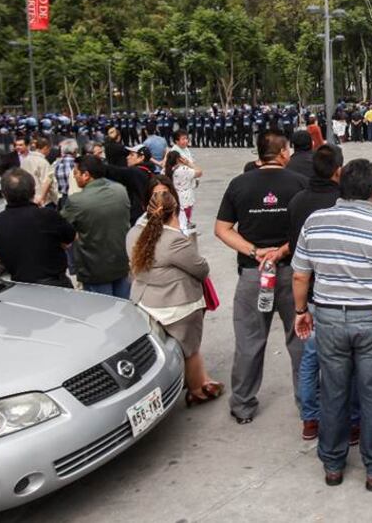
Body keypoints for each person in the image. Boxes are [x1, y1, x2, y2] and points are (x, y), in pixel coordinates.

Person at [292, 159, 372, 491]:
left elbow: (301, 274)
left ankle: (333, 464)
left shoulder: (314, 222)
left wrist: (301, 310)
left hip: (328, 318)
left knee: (333, 390)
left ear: (340, 186)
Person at [214, 129, 308, 424]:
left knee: (249, 340)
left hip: (253, 275)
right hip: (293, 275)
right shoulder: (298, 183)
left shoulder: (239, 184)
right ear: (282, 153)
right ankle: (308, 405)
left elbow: (222, 228)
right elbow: (308, 231)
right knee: (300, 340)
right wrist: (281, 251)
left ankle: (242, 405)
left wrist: (254, 252)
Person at [126, 189, 222, 406]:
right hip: (177, 306)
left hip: (144, 301)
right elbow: (201, 269)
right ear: (175, 212)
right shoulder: (174, 240)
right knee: (191, 350)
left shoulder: (133, 233)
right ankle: (197, 390)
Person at [286, 145, 351, 441]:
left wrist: (300, 309)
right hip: (337, 292)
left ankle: (310, 418)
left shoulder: (297, 201)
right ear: (338, 170)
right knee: (346, 361)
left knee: (310, 357)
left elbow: (297, 258)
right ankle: (351, 420)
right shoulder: (342, 201)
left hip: (309, 292)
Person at [61, 154, 132, 298]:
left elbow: (62, 229)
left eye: (75, 173)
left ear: (86, 175)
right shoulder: (120, 190)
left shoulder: (76, 201)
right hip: (121, 262)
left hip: (94, 268)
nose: (74, 177)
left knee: (101, 315)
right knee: (123, 309)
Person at [0, 169, 75, 287]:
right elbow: (70, 238)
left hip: (21, 286)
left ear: (4, 194)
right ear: (33, 191)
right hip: (55, 285)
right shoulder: (47, 215)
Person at [164, 150, 202, 226]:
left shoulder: (166, 170)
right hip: (185, 196)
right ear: (179, 159)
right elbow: (199, 172)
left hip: (172, 195)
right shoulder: (183, 170)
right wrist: (188, 163)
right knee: (185, 218)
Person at [20, 136, 57, 207]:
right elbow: (47, 182)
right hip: (42, 201)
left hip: (28, 199)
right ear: (45, 148)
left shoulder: (24, 160)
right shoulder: (43, 162)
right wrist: (42, 199)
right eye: (49, 149)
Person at [52, 139, 79, 208]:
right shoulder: (75, 164)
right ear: (74, 151)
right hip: (75, 197)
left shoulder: (56, 163)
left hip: (63, 198)